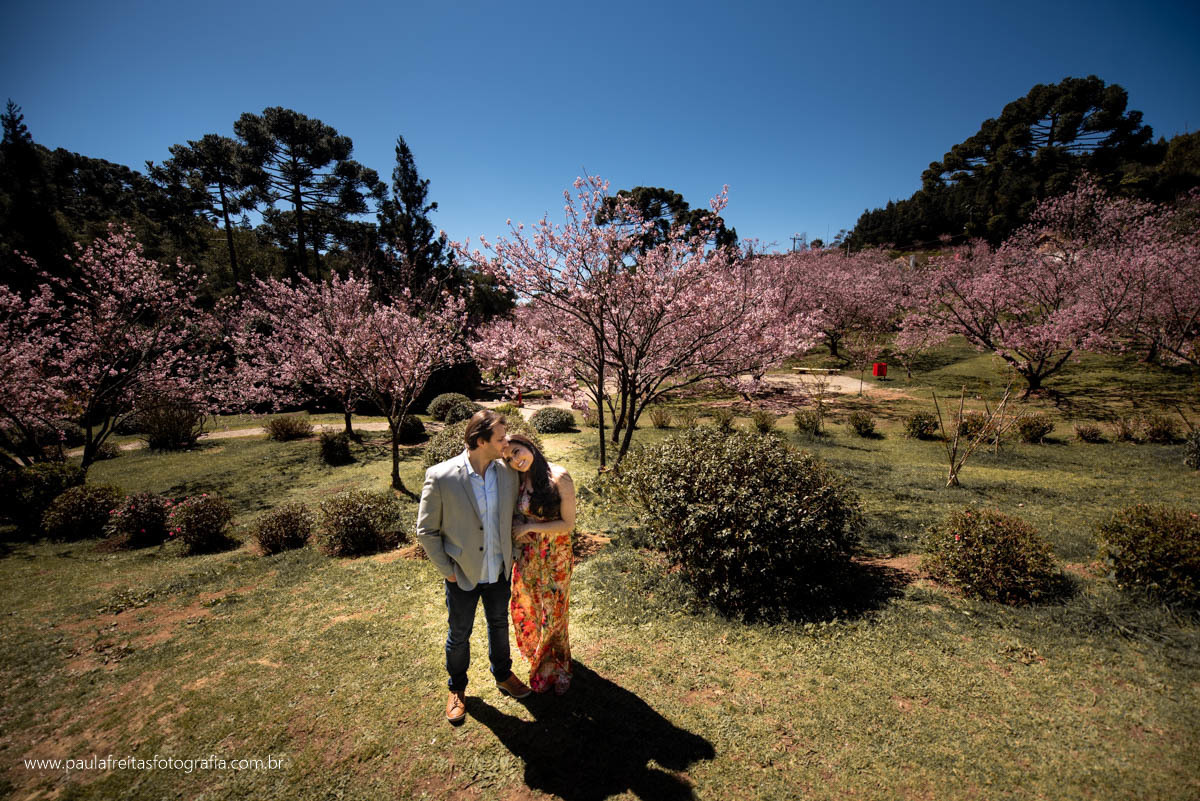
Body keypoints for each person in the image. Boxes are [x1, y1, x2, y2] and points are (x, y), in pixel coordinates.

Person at [416, 409, 532, 725]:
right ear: (481, 441)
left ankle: (503, 675)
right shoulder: (441, 476)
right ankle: (457, 688)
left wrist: (514, 552)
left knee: (499, 624)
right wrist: (447, 570)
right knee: (459, 634)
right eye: (500, 438)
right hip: (462, 574)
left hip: (498, 570)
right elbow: (426, 530)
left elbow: (516, 515)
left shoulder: (507, 473)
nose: (506, 442)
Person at [504, 433, 576, 695]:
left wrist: (530, 527)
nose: (515, 460)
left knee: (555, 613)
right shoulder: (520, 481)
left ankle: (559, 666)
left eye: (517, 451)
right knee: (530, 608)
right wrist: (518, 526)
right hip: (529, 558)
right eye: (508, 458)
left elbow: (568, 524)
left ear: (529, 445)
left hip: (556, 556)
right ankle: (541, 660)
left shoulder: (560, 476)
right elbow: (515, 512)